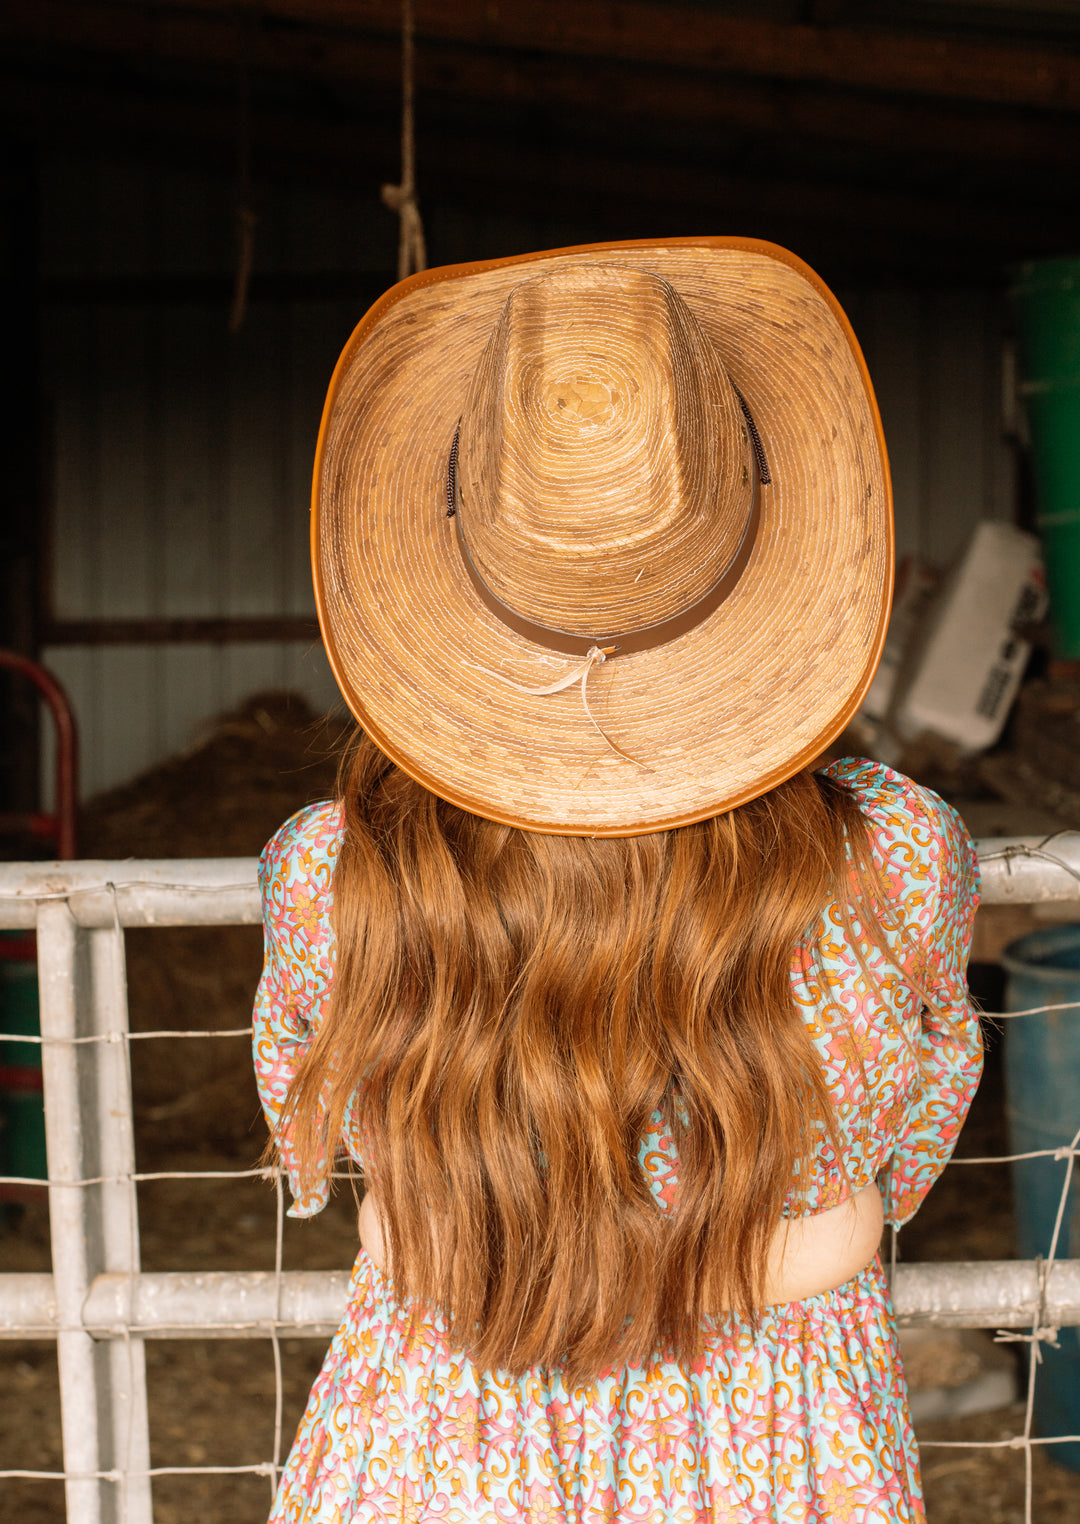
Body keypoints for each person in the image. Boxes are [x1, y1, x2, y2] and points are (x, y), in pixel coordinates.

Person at [254, 240, 982, 1523]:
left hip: (440, 1447)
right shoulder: (898, 855)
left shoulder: (336, 872)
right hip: (781, 1452)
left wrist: (531, 1235)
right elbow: (908, 1145)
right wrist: (735, 1240)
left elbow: (315, 1143)